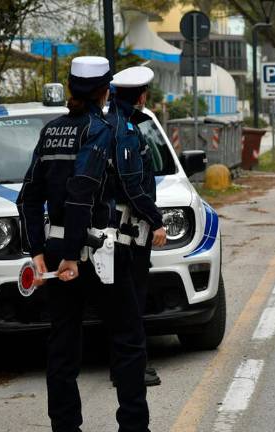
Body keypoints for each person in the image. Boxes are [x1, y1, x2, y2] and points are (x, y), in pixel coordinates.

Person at [16, 56, 150, 432]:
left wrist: (39, 255)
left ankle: (65, 428)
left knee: (62, 347)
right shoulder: (108, 129)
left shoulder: (51, 131)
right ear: (106, 91)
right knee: (127, 341)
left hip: (58, 254)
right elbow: (81, 193)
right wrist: (74, 256)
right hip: (101, 253)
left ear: (72, 89)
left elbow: (27, 197)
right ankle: (134, 427)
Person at [107, 66, 167, 387]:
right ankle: (131, 369)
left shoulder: (109, 123)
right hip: (126, 234)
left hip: (114, 233)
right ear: (141, 95)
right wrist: (156, 220)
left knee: (123, 302)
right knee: (130, 302)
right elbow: (132, 186)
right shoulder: (125, 130)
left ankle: (126, 366)